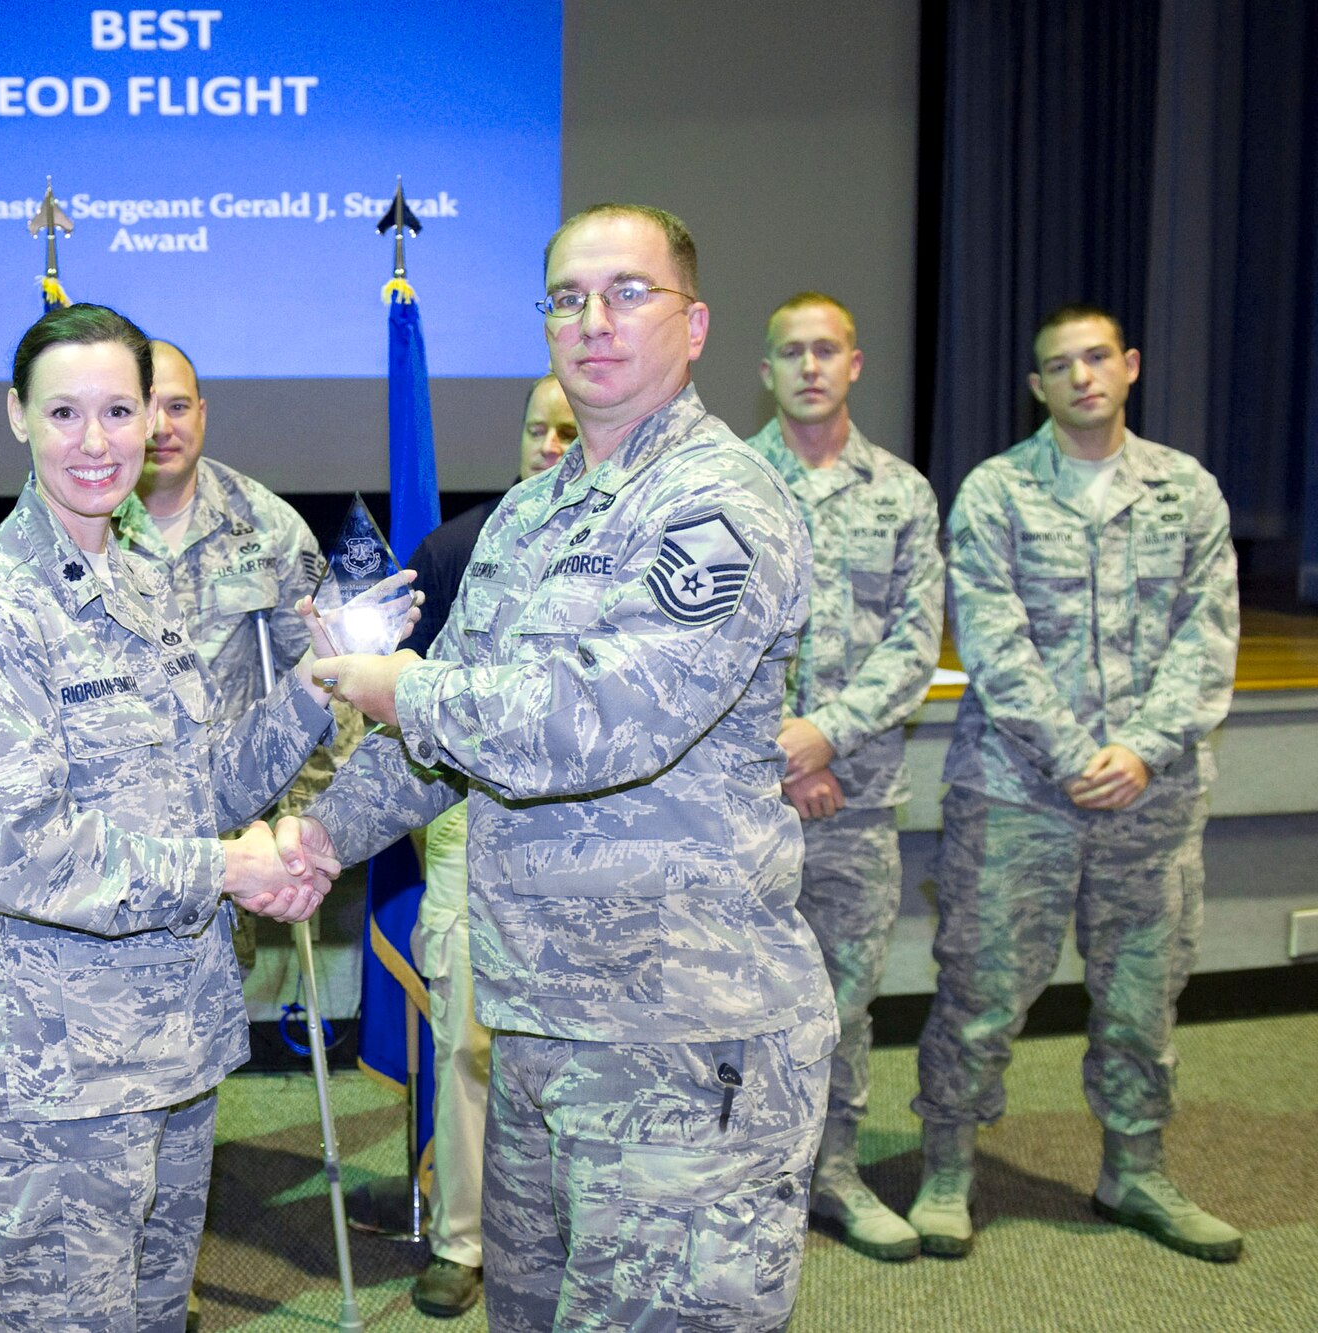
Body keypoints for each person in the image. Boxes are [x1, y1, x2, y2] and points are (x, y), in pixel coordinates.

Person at [283, 204, 836, 1332]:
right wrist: (312, 840)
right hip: (534, 1025)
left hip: (680, 1040)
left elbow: (604, 718)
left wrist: (402, 684)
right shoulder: (526, 519)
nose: (593, 320)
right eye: (567, 298)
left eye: (629, 292)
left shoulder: (719, 502)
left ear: (694, 326)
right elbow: (450, 752)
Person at [0, 303, 348, 1332]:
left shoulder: (144, 573)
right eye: (64, 412)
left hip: (167, 1043)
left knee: (153, 1316)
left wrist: (317, 688)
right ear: (16, 416)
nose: (96, 440)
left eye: (120, 409)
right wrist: (226, 871)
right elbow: (21, 857)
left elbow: (197, 786)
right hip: (49, 1067)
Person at [911, 305, 1241, 1262]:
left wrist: (1140, 749)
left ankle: (1134, 1170)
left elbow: (1208, 635)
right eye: (1060, 365)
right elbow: (991, 641)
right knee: (977, 994)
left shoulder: (1187, 491)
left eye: (1097, 358)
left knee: (1144, 998)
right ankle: (947, 1170)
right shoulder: (997, 492)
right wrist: (1072, 753)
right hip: (1016, 795)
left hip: (1153, 800)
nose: (1082, 376)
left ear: (1129, 366)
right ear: (1039, 386)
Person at [747, 293, 944, 1262]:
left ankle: (832, 1174)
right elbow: (703, 643)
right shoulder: (728, 481)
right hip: (736, 805)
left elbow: (913, 645)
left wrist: (825, 734)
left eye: (826, 350)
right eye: (791, 352)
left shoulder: (901, 493)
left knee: (845, 1005)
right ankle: (745, 1183)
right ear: (765, 370)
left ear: (855, 364)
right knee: (729, 1002)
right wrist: (779, 758)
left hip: (857, 801)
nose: (810, 366)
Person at [397, 372, 577, 1318]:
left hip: (591, 836)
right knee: (468, 1042)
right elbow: (405, 706)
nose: (550, 444)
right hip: (471, 824)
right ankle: (462, 1238)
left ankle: (571, 1233)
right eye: (536, 428)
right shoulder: (461, 547)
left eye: (569, 428)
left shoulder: (623, 549)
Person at [111, 339, 364, 962]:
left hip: (227, 830)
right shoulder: (89, 520)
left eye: (178, 406)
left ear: (203, 411)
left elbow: (325, 685)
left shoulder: (269, 528)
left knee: (210, 1033)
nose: (162, 428)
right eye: (145, 408)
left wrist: (304, 829)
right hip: (112, 831)